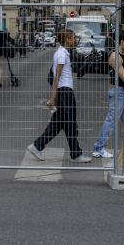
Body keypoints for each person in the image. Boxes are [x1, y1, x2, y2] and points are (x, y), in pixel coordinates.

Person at [27, 29, 92, 163]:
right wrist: (53, 97)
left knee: (58, 124)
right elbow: (57, 76)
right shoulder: (62, 54)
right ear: (67, 39)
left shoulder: (63, 53)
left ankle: (37, 146)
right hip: (65, 92)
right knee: (70, 124)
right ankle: (75, 154)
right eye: (73, 37)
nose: (75, 40)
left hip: (64, 92)